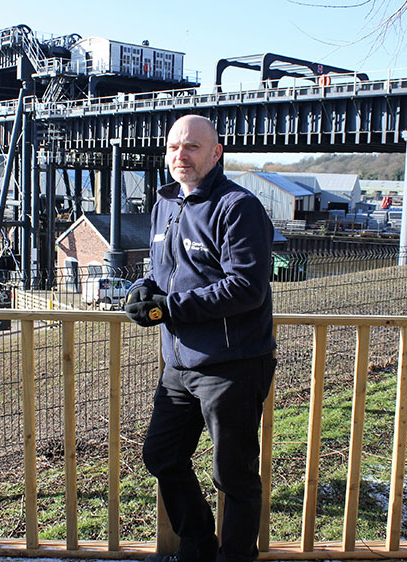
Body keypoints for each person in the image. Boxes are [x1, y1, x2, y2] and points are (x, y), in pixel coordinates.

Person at [125, 114, 276, 562]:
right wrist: (143, 291)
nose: (180, 155)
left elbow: (247, 287)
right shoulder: (166, 204)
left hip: (233, 363)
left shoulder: (237, 207)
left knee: (234, 475)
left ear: (216, 153)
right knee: (161, 456)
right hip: (179, 363)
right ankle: (196, 545)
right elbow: (164, 269)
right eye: (174, 147)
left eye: (192, 147)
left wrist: (169, 308)